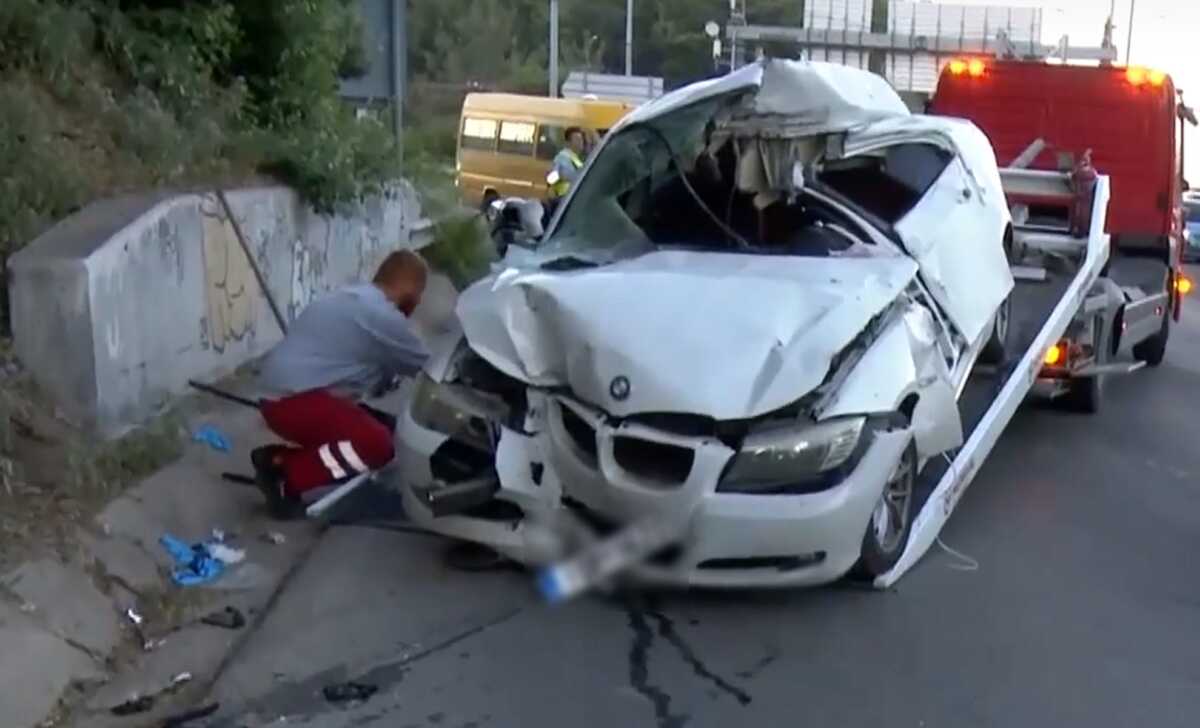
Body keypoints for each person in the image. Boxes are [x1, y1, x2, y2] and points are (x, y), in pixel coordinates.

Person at [250, 250, 430, 518]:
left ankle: (279, 460)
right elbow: (431, 367)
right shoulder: (382, 317)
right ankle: (287, 476)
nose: (416, 304)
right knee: (377, 444)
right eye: (418, 295)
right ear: (411, 290)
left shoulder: (351, 296)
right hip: (294, 401)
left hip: (284, 396)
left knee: (387, 429)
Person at [545, 126, 587, 206]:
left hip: (571, 198)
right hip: (562, 199)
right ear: (568, 142)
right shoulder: (563, 157)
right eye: (577, 139)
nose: (581, 142)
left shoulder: (575, 158)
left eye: (581, 139)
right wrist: (558, 175)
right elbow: (550, 179)